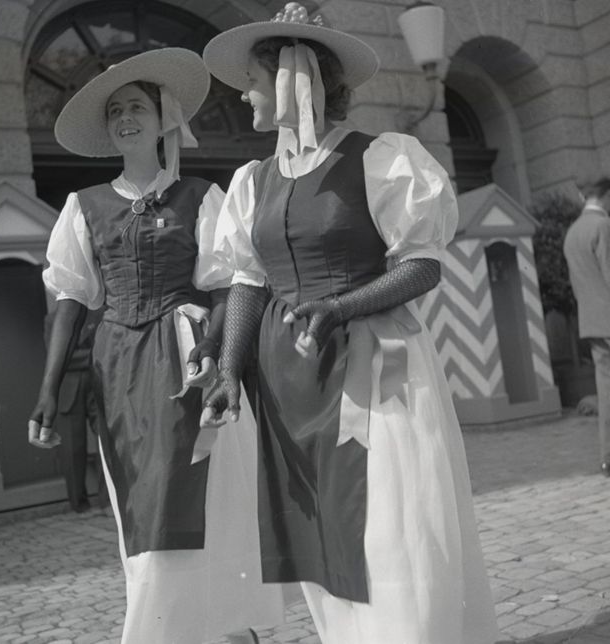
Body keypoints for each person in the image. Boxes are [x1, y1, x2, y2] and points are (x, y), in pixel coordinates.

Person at [201, 4, 499, 643]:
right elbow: (246, 281)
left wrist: (340, 307)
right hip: (288, 382)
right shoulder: (251, 182)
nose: (244, 95)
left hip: (372, 370)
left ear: (292, 80)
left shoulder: (381, 159)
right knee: (318, 529)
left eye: (253, 82)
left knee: (387, 525)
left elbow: (422, 266)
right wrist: (228, 370)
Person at [28, 48, 283, 644]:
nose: (125, 118)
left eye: (136, 107)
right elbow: (70, 300)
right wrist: (47, 392)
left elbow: (228, 286)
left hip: (187, 355)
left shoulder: (200, 195)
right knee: (140, 502)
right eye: (115, 110)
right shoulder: (84, 206)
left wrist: (215, 347)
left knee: (192, 492)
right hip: (117, 366)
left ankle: (217, 627)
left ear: (163, 118)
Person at [564, 177, 610, 476]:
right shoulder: (603, 226)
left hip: (592, 322)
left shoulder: (573, 232)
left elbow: (576, 283)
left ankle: (607, 456)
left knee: (606, 391)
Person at [47, 306, 107, 513]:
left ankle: (108, 501)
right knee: (72, 448)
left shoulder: (98, 314)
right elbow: (55, 358)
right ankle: (79, 504)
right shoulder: (52, 319)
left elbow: (105, 350)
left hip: (98, 384)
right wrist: (91, 356)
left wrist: (73, 356)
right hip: (68, 389)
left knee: (106, 440)